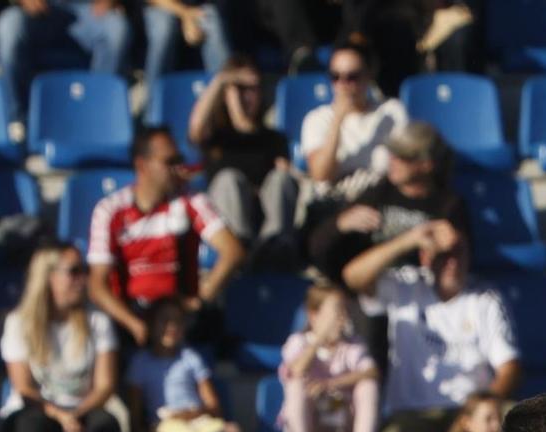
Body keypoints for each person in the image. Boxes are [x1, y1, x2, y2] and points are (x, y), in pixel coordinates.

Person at [344, 218, 521, 432]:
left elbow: (510, 366)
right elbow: (353, 277)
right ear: (426, 257)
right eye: (444, 255)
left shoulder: (484, 299)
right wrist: (410, 238)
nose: (452, 262)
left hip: (469, 408)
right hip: (415, 413)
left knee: (522, 422)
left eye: (459, 253)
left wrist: (484, 407)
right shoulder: (405, 286)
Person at [0, 243, 124, 432]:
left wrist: (75, 414)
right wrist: (60, 415)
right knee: (31, 425)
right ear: (48, 277)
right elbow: (24, 388)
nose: (83, 279)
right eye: (74, 271)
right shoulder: (19, 323)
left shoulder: (97, 321)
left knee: (106, 426)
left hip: (83, 410)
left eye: (85, 271)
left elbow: (105, 385)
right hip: (37, 412)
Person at [86, 127, 245, 345]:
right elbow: (97, 285)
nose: (177, 168)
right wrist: (134, 324)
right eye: (170, 162)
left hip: (178, 324)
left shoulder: (190, 201)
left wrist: (201, 299)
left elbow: (233, 251)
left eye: (179, 160)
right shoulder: (110, 210)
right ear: (142, 165)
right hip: (130, 324)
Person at [308, 119, 470, 295]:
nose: (392, 161)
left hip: (420, 295)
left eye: (402, 156)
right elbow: (318, 250)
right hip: (370, 292)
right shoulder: (378, 193)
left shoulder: (447, 205)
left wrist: (452, 244)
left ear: (426, 164)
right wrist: (339, 225)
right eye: (391, 154)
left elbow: (455, 269)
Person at [187, 57, 295, 260]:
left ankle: (276, 246)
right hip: (228, 222)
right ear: (225, 93)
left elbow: (283, 179)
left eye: (252, 88)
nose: (246, 96)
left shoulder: (274, 139)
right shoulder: (216, 136)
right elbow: (196, 129)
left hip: (264, 218)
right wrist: (221, 80)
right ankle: (238, 249)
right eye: (239, 88)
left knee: (281, 179)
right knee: (229, 180)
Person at [127, 299, 249, 432]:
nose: (172, 326)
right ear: (151, 324)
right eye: (165, 320)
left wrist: (190, 415)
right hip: (165, 423)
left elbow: (214, 406)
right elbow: (135, 414)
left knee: (225, 431)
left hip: (198, 417)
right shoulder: (140, 362)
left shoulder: (190, 357)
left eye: (177, 321)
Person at [278, 283, 379, 432]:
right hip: (311, 426)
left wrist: (330, 384)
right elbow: (296, 370)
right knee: (296, 385)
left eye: (345, 310)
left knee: (368, 386)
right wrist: (320, 337)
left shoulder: (352, 344)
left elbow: (372, 372)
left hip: (340, 425)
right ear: (314, 315)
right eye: (336, 311)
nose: (343, 317)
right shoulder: (298, 342)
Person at [300, 42, 408, 220]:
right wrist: (337, 121)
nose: (343, 85)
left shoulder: (392, 111)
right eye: (335, 77)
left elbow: (405, 165)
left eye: (352, 77)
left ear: (368, 76)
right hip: (335, 205)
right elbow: (321, 175)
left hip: (381, 202)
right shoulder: (317, 119)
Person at [0, 0, 132, 124]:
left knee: (116, 29)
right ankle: (16, 120)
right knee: (9, 25)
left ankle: (98, 114)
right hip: (42, 10)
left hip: (89, 12)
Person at [142, 0, 232, 100]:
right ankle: (153, 103)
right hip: (162, 7)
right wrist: (185, 14)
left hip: (197, 8)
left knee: (211, 21)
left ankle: (226, 98)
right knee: (164, 29)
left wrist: (191, 18)